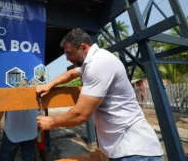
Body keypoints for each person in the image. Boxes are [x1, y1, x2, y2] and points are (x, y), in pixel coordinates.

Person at [36, 28, 164, 161]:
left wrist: (52, 122)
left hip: (134, 150)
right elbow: (71, 73)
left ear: (83, 47)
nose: (68, 59)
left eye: (69, 54)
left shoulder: (99, 63)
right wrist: (49, 85)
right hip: (123, 149)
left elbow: (81, 114)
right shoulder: (92, 62)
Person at [0, 77, 37, 161]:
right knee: (29, 158)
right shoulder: (34, 81)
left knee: (5, 157)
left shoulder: (7, 82)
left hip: (12, 130)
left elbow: (0, 108)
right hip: (31, 129)